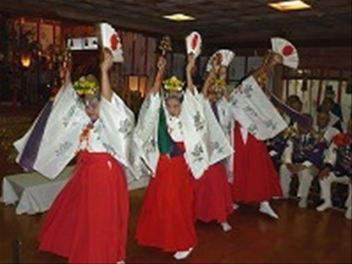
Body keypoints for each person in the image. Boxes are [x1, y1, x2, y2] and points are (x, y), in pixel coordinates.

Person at [14, 49, 136, 264]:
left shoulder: (109, 117)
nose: (90, 109)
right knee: (77, 211)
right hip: (87, 171)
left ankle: (108, 254)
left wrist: (104, 72)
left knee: (102, 217)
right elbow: (68, 104)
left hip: (104, 173)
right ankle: (82, 246)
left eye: (94, 104)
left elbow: (108, 104)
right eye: (87, 104)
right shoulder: (86, 119)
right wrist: (67, 78)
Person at [135, 54, 211, 260]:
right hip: (163, 164)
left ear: (182, 104)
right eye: (169, 106)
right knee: (159, 202)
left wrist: (188, 71)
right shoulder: (161, 115)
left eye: (176, 106)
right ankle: (159, 237)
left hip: (178, 165)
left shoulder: (187, 116)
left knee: (175, 204)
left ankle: (185, 241)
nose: (172, 109)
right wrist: (160, 71)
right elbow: (153, 98)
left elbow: (195, 98)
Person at [229, 52, 286, 219]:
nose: (258, 86)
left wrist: (270, 66)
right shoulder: (236, 95)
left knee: (258, 168)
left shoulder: (257, 98)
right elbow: (252, 79)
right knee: (237, 167)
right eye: (255, 83)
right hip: (238, 135)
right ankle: (233, 197)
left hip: (254, 134)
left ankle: (264, 202)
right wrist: (268, 64)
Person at [192, 51, 234, 232]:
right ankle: (196, 214)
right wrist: (211, 75)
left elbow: (227, 98)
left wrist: (223, 72)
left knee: (217, 186)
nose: (214, 96)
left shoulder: (223, 107)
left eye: (217, 93)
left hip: (217, 152)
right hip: (203, 150)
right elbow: (201, 95)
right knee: (200, 185)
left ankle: (221, 217)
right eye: (212, 92)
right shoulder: (202, 105)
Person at [280, 114, 326, 208]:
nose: (303, 127)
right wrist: (288, 163)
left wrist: (303, 165)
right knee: (283, 168)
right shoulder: (292, 134)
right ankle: (284, 193)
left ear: (311, 125)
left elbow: (316, 156)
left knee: (305, 172)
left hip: (312, 165)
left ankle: (303, 198)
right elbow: (288, 149)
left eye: (306, 124)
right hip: (295, 162)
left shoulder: (318, 137)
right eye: (301, 124)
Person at [316, 119, 352, 220]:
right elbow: (332, 155)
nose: (350, 129)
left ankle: (351, 207)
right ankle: (327, 201)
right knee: (324, 177)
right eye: (349, 127)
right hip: (341, 170)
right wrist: (327, 167)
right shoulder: (339, 138)